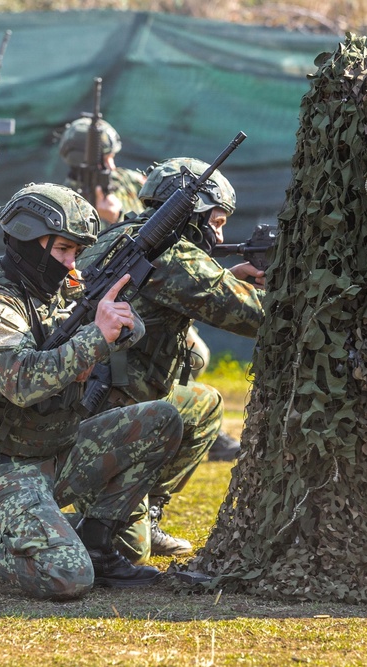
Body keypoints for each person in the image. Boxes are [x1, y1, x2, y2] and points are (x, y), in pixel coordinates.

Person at [0, 183, 184, 599]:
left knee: (161, 421)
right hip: (2, 469)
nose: (70, 263)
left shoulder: (60, 293)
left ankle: (96, 542)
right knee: (67, 577)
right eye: (62, 250)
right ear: (27, 239)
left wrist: (124, 324)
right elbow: (23, 383)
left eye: (76, 252)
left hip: (60, 450)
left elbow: (128, 334)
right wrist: (98, 336)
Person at [75, 157, 265, 561]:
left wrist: (230, 279)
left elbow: (190, 287)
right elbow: (257, 317)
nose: (219, 233)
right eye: (215, 221)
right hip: (107, 418)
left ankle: (147, 511)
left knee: (204, 403)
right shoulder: (171, 255)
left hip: (101, 406)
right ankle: (101, 521)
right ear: (188, 212)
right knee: (127, 553)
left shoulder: (120, 237)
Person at [60, 115, 238, 462]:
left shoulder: (126, 183)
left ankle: (173, 423)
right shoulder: (71, 200)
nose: (110, 164)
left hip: (133, 321)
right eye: (101, 159)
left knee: (188, 355)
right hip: (113, 332)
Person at [58, 116, 146, 227]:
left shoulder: (127, 179)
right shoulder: (65, 208)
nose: (112, 167)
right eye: (104, 160)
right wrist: (116, 218)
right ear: (80, 161)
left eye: (112, 157)